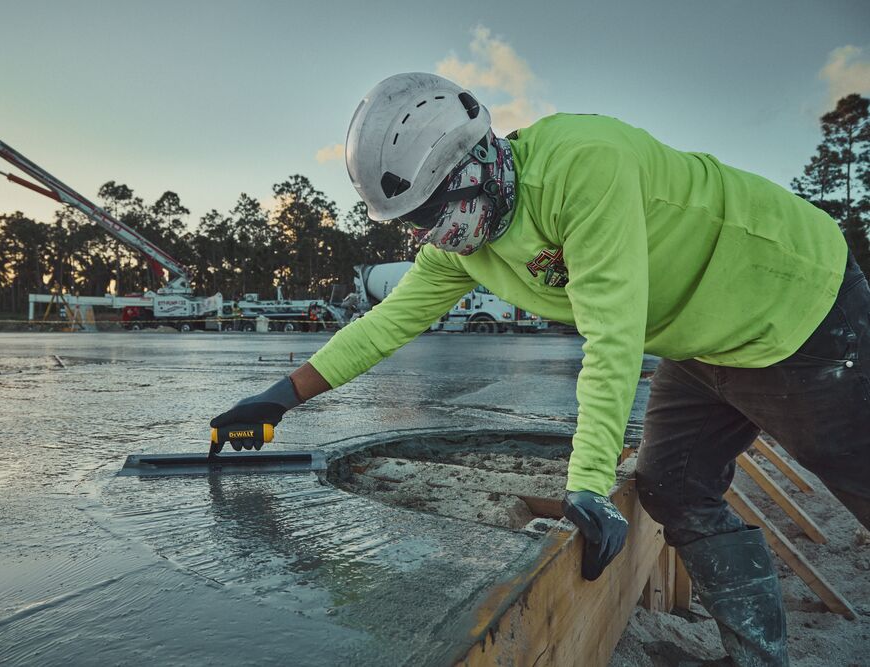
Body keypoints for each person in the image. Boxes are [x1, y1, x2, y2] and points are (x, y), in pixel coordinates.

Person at [211, 72, 869, 666]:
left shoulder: (583, 166)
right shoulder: (463, 247)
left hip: (795, 301)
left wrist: (587, 483)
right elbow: (387, 324)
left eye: (430, 215)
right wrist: (279, 397)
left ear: (472, 165)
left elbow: (612, 336)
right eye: (411, 224)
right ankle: (757, 657)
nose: (425, 236)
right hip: (699, 339)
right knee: (674, 483)